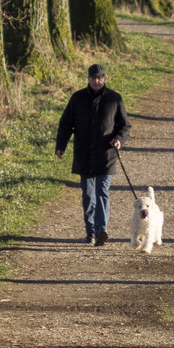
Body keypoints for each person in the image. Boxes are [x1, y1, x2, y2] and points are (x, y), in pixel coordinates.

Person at [56, 63, 130, 245]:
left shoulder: (114, 99)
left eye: (100, 78)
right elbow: (66, 124)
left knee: (102, 192)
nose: (96, 81)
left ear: (105, 79)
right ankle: (90, 231)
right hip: (84, 154)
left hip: (106, 154)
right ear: (88, 79)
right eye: (93, 78)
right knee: (88, 194)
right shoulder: (77, 98)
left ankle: (101, 229)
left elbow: (124, 125)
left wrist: (119, 139)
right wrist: (61, 145)